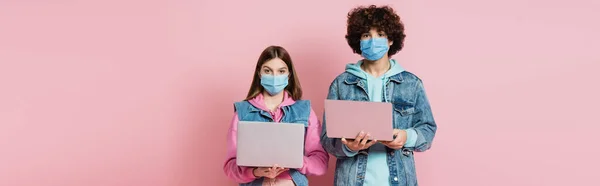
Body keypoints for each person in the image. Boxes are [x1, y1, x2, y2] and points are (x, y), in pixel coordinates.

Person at [320, 5, 438, 186]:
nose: (373, 40)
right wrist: (348, 147)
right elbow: (327, 139)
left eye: (380, 34)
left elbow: (428, 130)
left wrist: (406, 136)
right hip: (351, 181)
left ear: (391, 40)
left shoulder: (411, 83)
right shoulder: (341, 84)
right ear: (358, 40)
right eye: (366, 35)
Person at [223, 46, 329, 186]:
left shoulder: (304, 111)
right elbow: (230, 166)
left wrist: (296, 160)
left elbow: (320, 162)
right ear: (259, 73)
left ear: (289, 74)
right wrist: (255, 172)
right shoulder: (242, 112)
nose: (274, 76)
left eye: (281, 71)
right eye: (268, 71)